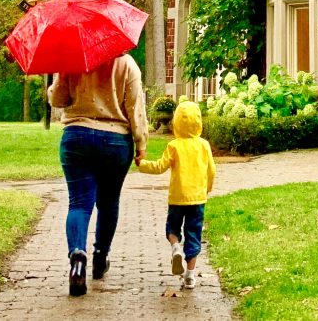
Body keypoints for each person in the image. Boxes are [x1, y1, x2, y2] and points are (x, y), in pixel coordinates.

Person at [48, 53, 148, 297]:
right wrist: (141, 144)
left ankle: (77, 255)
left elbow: (58, 100)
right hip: (115, 140)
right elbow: (135, 108)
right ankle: (100, 256)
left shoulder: (71, 61)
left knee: (79, 204)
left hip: (77, 137)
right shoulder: (127, 64)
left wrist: (56, 79)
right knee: (108, 202)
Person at [136, 100, 216, 289]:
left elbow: (160, 167)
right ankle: (189, 275)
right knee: (193, 234)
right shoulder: (204, 145)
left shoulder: (174, 146)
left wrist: (142, 164)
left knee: (172, 229)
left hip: (177, 199)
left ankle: (175, 248)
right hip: (197, 199)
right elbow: (211, 171)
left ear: (176, 122)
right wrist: (207, 188)